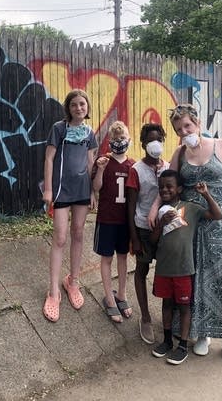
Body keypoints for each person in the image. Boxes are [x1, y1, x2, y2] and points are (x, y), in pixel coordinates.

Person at [149, 103, 222, 366]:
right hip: (189, 226)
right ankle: (201, 334)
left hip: (219, 222)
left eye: (188, 126)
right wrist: (155, 208)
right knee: (195, 280)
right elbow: (168, 181)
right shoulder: (180, 152)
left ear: (198, 123)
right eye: (180, 129)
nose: (185, 132)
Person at [149, 170, 222, 365]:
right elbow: (153, 241)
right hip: (164, 268)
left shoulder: (191, 208)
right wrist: (160, 225)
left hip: (183, 269)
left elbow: (217, 215)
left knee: (183, 307)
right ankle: (166, 341)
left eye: (169, 186)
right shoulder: (160, 211)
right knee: (166, 305)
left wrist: (205, 194)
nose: (165, 189)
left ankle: (182, 345)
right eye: (162, 186)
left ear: (179, 189)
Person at [42, 89, 98, 323]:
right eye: (74, 104)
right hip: (62, 191)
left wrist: (94, 191)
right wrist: (48, 190)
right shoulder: (59, 129)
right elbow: (49, 159)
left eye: (82, 104)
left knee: (77, 234)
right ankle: (53, 291)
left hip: (82, 191)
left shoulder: (89, 133)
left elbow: (91, 162)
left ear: (87, 107)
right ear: (69, 107)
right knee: (60, 237)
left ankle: (72, 282)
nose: (78, 108)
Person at [125, 123, 169, 343]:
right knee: (141, 271)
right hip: (142, 229)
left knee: (168, 273)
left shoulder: (169, 167)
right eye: (151, 140)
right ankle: (145, 318)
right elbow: (130, 206)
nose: (155, 143)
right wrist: (134, 238)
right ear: (143, 144)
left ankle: (170, 319)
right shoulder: (136, 170)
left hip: (165, 231)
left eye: (159, 139)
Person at [92, 121, 135, 323]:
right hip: (107, 218)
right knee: (106, 259)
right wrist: (100, 169)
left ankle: (122, 294)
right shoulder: (104, 162)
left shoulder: (133, 165)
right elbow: (97, 188)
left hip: (125, 221)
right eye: (116, 139)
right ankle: (109, 298)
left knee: (123, 258)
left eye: (123, 138)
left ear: (129, 140)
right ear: (110, 141)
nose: (120, 142)